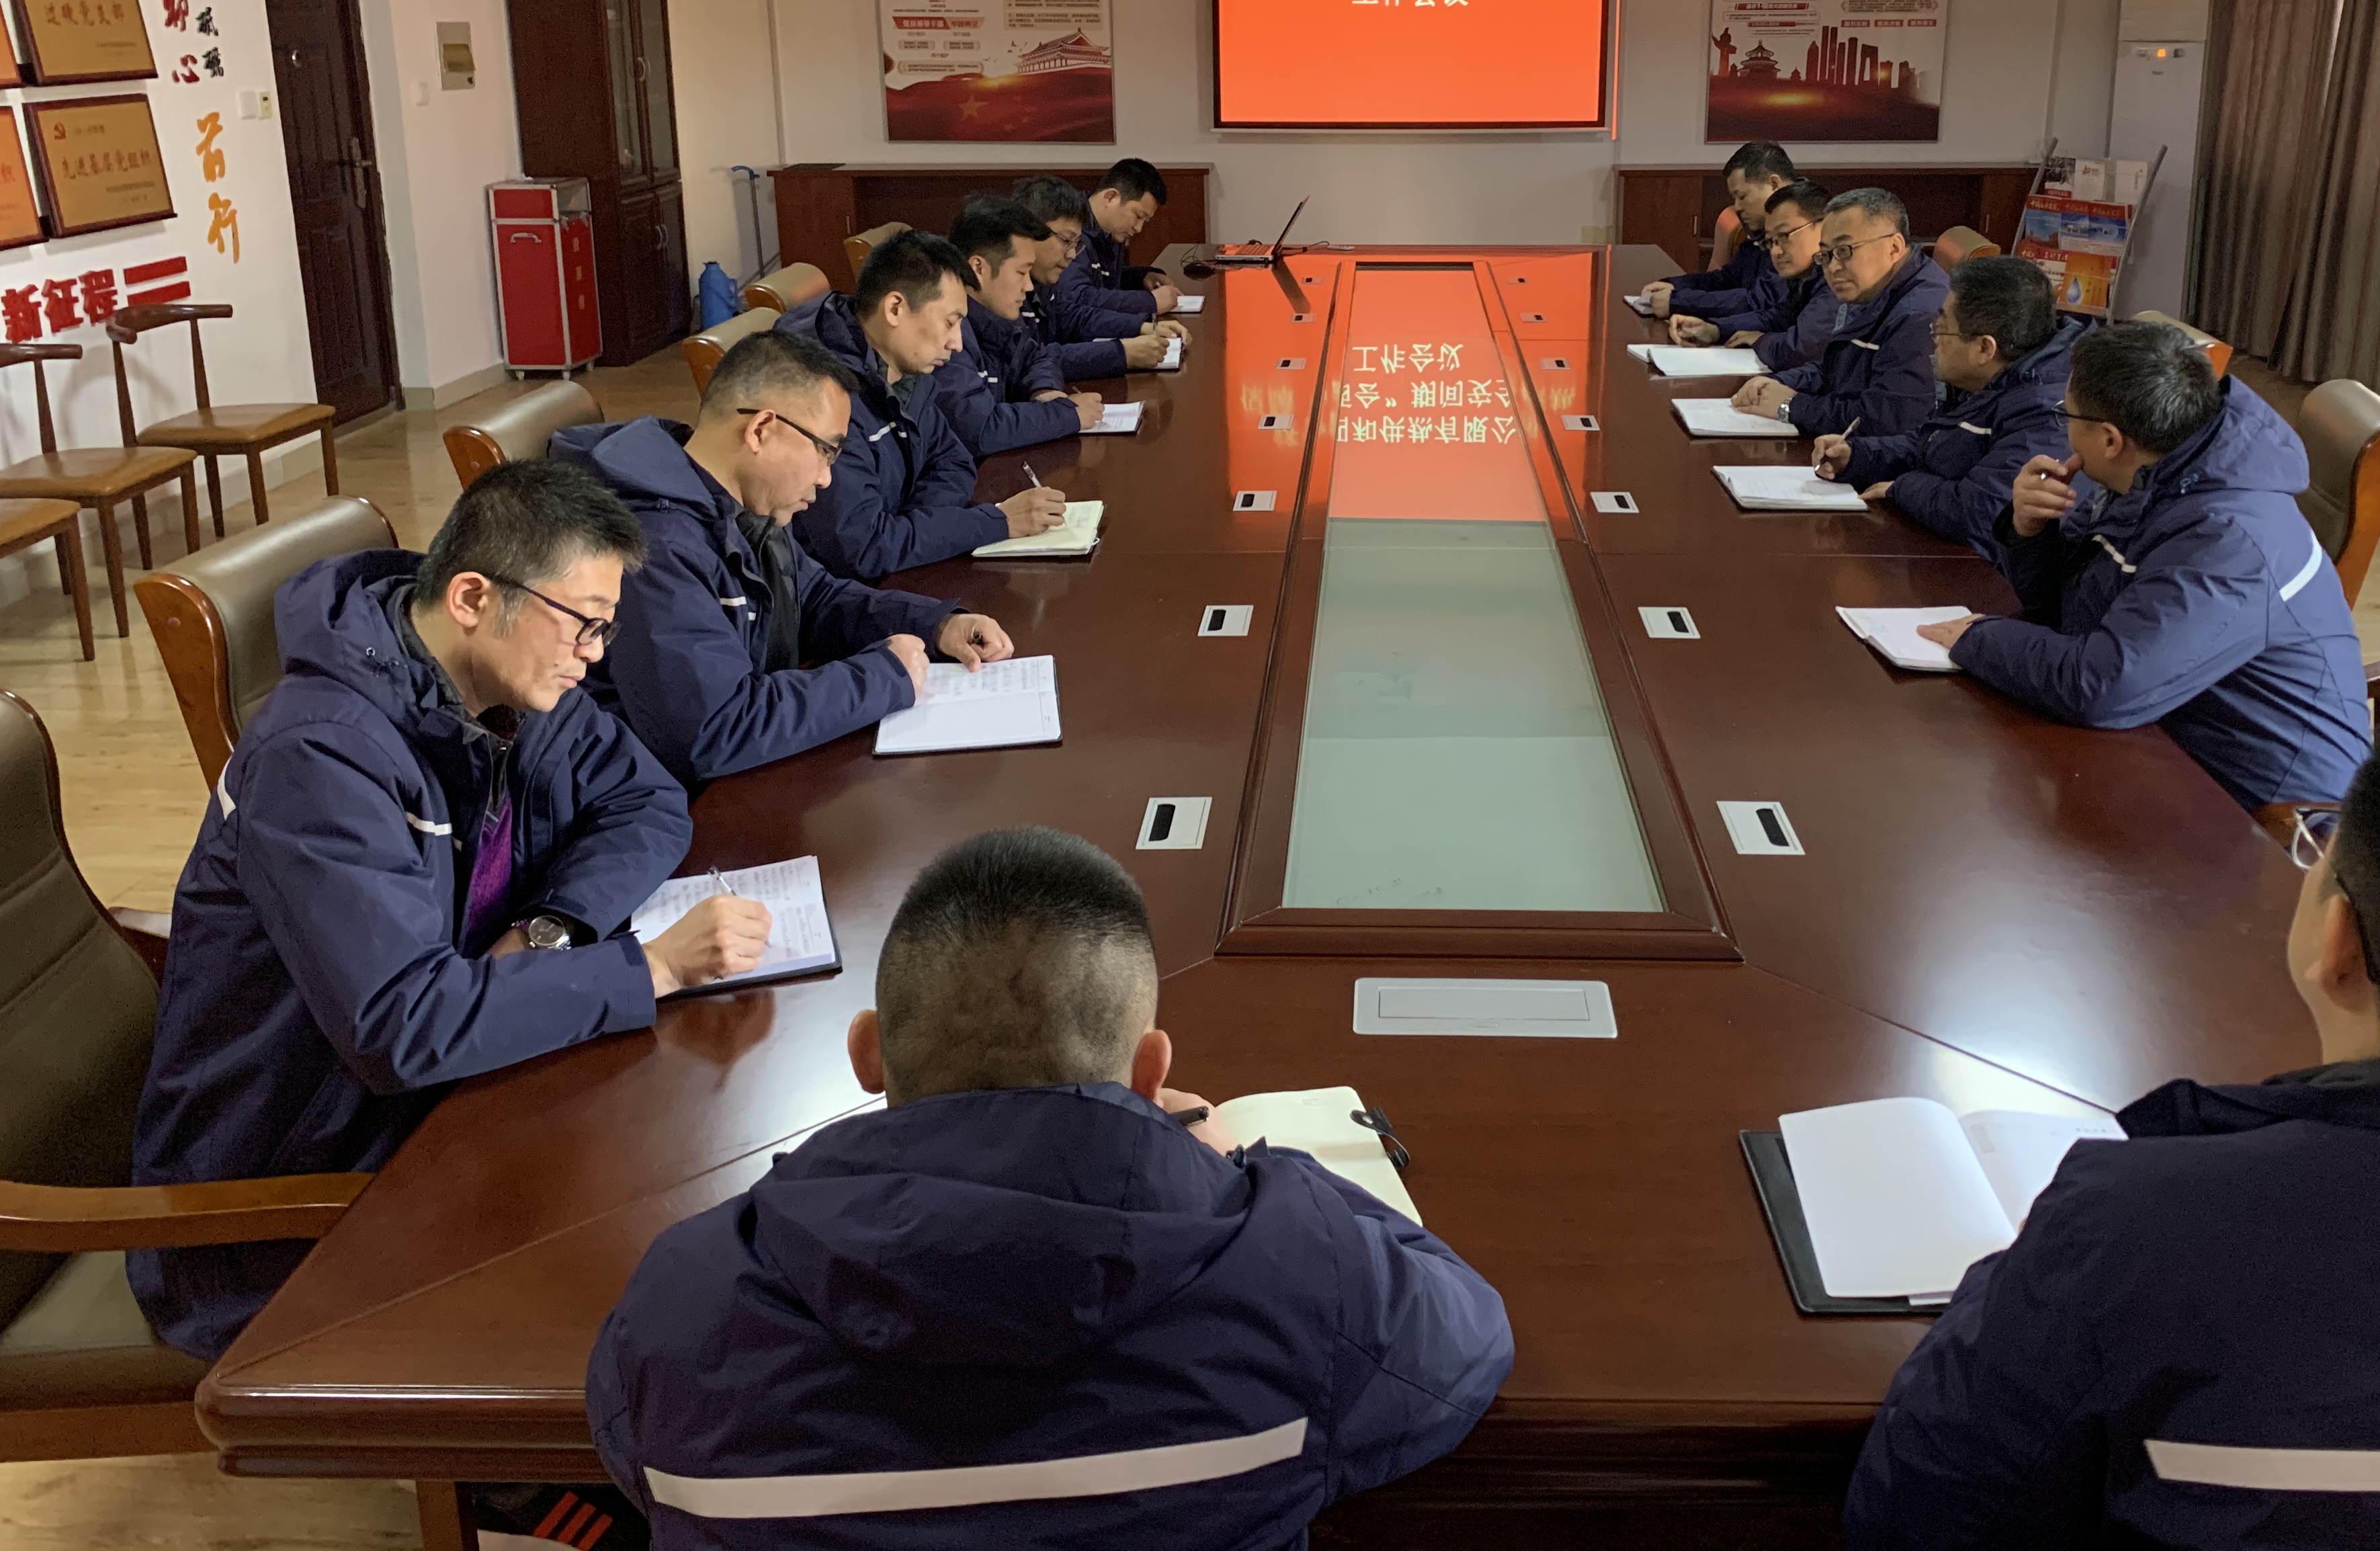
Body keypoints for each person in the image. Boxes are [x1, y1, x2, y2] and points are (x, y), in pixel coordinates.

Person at [1846, 691, 2380, 1550]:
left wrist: (2016, 1281)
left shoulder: (2129, 1231)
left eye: (2321, 845)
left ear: (2339, 940)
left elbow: (1915, 1520)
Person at [589, 826, 1515, 1548]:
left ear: (867, 1054)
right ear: (1151, 1074)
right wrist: (1247, 1168)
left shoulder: (680, 1305)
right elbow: (1466, 1340)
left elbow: (634, 1456)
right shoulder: (1300, 1275)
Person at [127, 462, 774, 1359]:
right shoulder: (319, 755)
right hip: (294, 1198)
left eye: (606, 627)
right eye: (583, 623)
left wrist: (550, 929)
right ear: (473, 597)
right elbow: (401, 1026)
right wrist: (651, 968)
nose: (593, 655)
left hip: (449, 1098)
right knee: (642, 1294)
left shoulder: (514, 683)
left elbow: (648, 800)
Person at [1920, 320, 2371, 810]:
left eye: (2066, 414)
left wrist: (1978, 637)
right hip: (2165, 744)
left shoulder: (2230, 541)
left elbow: (2102, 686)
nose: (2063, 431)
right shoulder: (2158, 471)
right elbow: (2066, 611)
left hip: (2273, 817)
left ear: (2111, 440)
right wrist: (2029, 530)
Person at [552, 330, 1015, 792]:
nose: (827, 478)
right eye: (826, 450)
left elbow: (814, 599)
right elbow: (714, 730)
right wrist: (883, 677)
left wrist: (934, 625)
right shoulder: (653, 543)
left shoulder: (739, 504)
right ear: (761, 430)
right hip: (675, 799)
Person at [777, 229, 1067, 579]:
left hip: (898, 571)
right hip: (848, 594)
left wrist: (915, 529)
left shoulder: (906, 370)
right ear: (895, 309)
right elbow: (863, 548)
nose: (957, 343)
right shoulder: (823, 395)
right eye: (950, 322)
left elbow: (954, 462)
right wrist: (992, 523)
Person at [1808, 255, 2076, 557]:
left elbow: (1981, 510)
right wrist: (1858, 456)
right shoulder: (1991, 378)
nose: (1934, 339)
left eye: (1942, 329)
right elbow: (1932, 444)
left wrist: (1901, 488)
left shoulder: (2047, 411)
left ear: (1985, 348)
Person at [1728, 187, 1949, 438]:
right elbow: (1836, 370)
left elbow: (1883, 422)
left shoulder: (1919, 316)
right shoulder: (1871, 288)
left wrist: (1791, 405)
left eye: (1844, 251)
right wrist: (1780, 383)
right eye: (1826, 255)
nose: (1833, 268)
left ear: (1894, 247)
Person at [933, 196, 1104, 460]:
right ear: (978, 268)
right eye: (1021, 273)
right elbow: (980, 430)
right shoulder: (947, 332)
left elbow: (1037, 358)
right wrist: (1065, 414)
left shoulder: (999, 313)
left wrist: (1044, 390)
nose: (1028, 286)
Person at [1015, 175, 1183, 378]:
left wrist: (1141, 326)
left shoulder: (1044, 277)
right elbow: (1029, 361)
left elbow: (1072, 317)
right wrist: (1122, 354)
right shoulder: (1004, 287)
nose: (1071, 255)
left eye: (1076, 245)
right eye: (1066, 241)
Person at [1668, 179, 1835, 372]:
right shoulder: (1805, 276)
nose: (1776, 252)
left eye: (1783, 237)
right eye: (1771, 242)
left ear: (1824, 226)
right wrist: (1715, 330)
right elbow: (1776, 318)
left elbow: (1798, 350)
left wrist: (1760, 341)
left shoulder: (1836, 279)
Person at [1644, 140, 1795, 325]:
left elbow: (1759, 302)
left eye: (1742, 196)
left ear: (1773, 184)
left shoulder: (1801, 233)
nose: (1737, 207)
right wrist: (1676, 286)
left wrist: (1678, 301)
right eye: (1734, 198)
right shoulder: (1762, 231)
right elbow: (1727, 279)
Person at [1053, 155, 1180, 331]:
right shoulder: (1071, 231)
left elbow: (1103, 279)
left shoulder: (1110, 231)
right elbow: (1077, 297)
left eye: (1145, 221)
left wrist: (1142, 277)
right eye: (1138, 216)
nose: (1139, 228)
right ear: (1110, 197)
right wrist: (1149, 302)